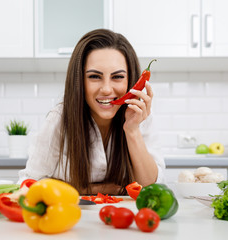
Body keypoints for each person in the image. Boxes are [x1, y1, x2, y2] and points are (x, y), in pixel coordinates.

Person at [18, 29, 165, 195]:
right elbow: (29, 183)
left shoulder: (139, 115)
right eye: (94, 76)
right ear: (79, 80)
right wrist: (96, 189)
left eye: (117, 77)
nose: (107, 89)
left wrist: (132, 131)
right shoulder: (59, 119)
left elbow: (150, 187)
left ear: (130, 79)